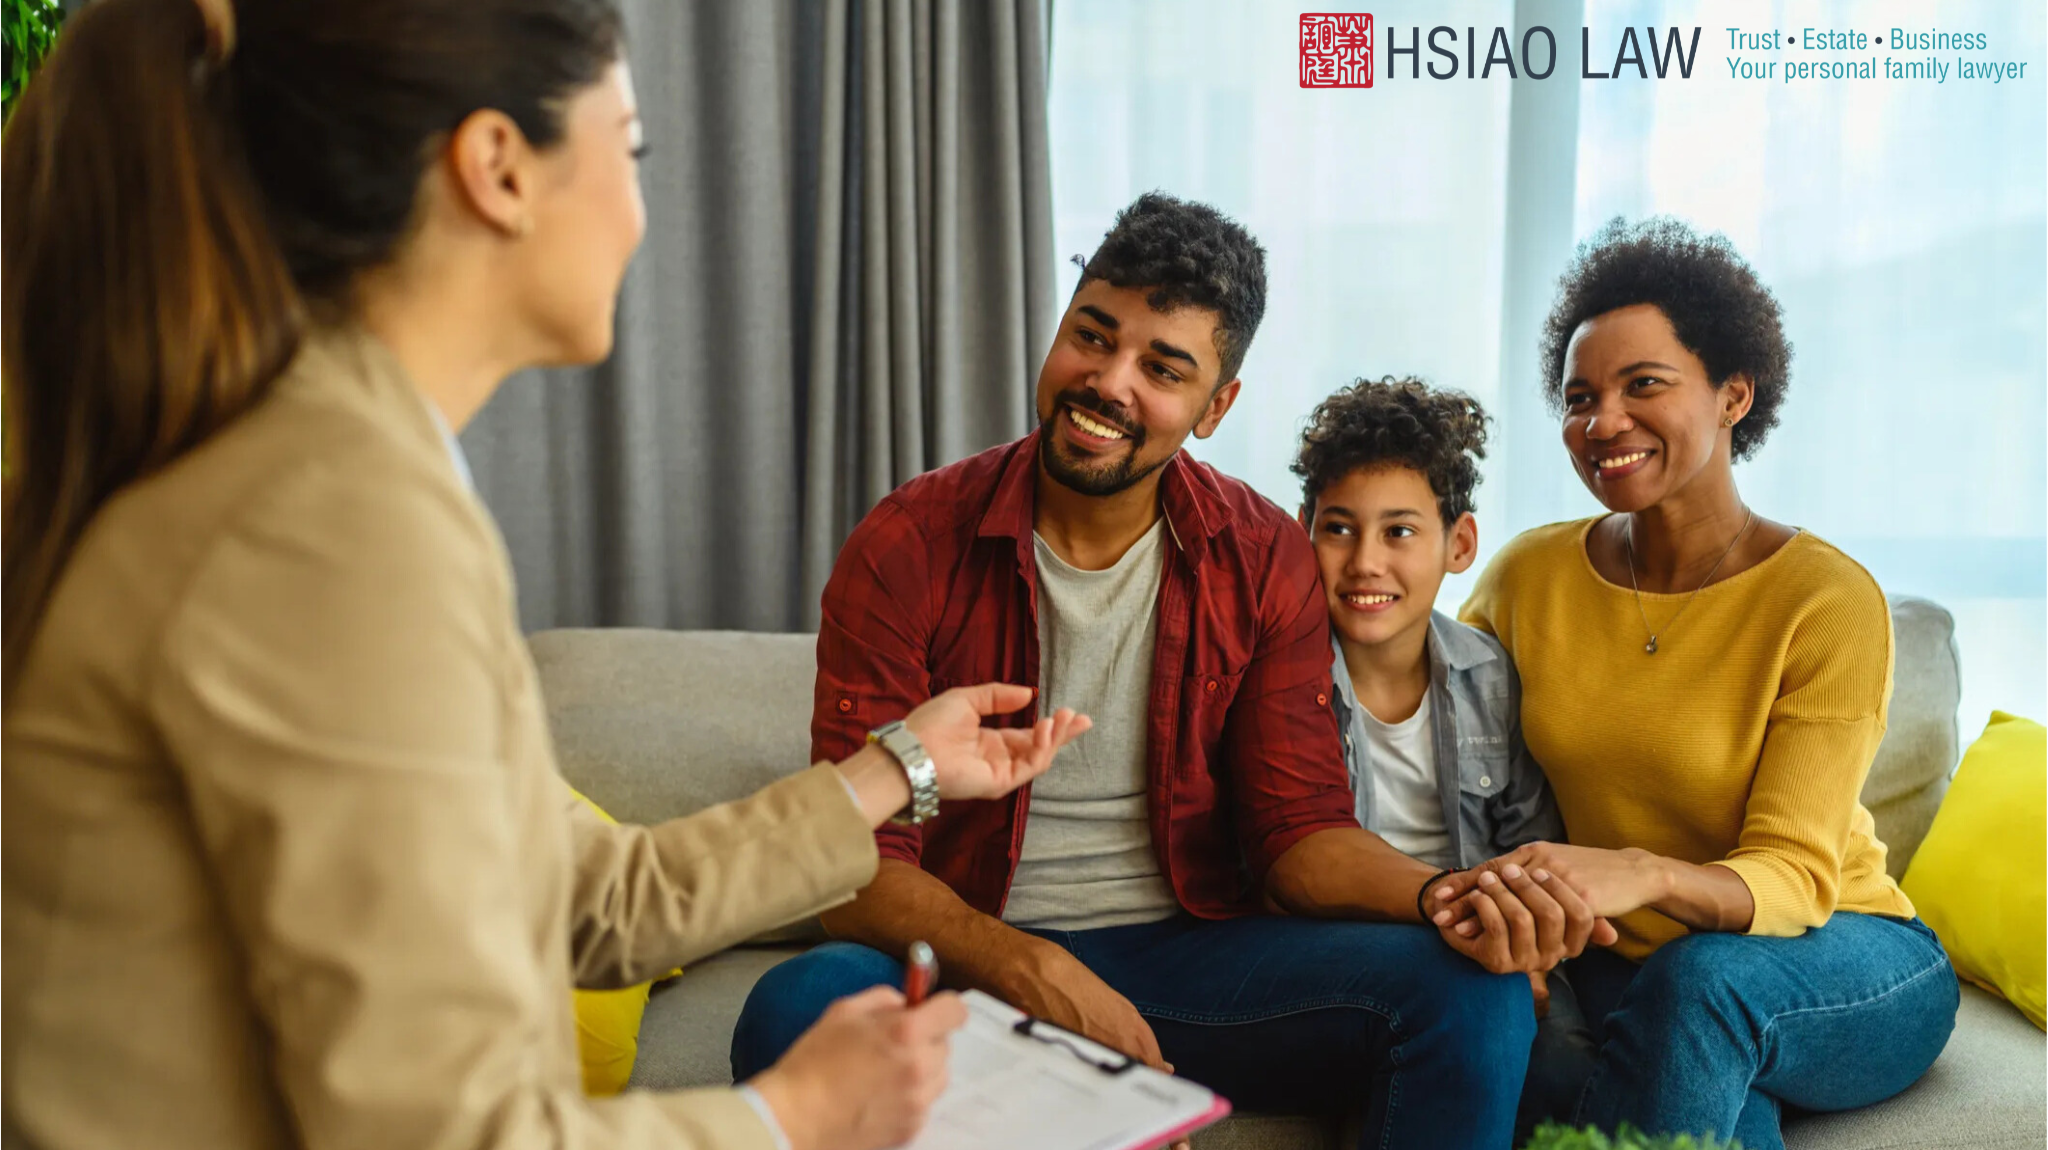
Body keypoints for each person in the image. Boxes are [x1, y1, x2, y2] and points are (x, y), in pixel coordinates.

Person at [0, 3, 1091, 1150]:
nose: (638, 209)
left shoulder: (326, 465)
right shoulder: (325, 522)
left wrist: (902, 766)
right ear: (498, 170)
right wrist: (794, 1115)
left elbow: (591, 897)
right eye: (630, 149)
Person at [731, 193, 1610, 1150]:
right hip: (965, 954)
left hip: (1187, 963)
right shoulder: (908, 542)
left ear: (1214, 406)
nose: (1108, 383)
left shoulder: (1260, 554)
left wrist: (1450, 897)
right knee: (797, 1006)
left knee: (1467, 998)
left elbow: (1297, 834)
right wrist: (1032, 969)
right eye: (1091, 336)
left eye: (1163, 367)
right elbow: (850, 864)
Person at [1446, 217, 1959, 1150]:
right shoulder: (1530, 577)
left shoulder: (1825, 601)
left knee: (1700, 985)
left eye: (1644, 385)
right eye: (1578, 397)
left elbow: (1798, 878)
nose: (1602, 422)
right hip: (1634, 974)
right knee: (1708, 1077)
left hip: (1844, 957)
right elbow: (1432, 734)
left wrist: (1637, 873)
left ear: (1732, 395)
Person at [1291, 376, 1600, 1142]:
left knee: (1565, 1062)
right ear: (1303, 532)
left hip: (1481, 932)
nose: (1365, 561)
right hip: (1347, 939)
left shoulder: (1489, 677)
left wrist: (1531, 955)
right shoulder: (1285, 679)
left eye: (1399, 532)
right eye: (1338, 528)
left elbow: (1533, 846)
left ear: (1457, 544)